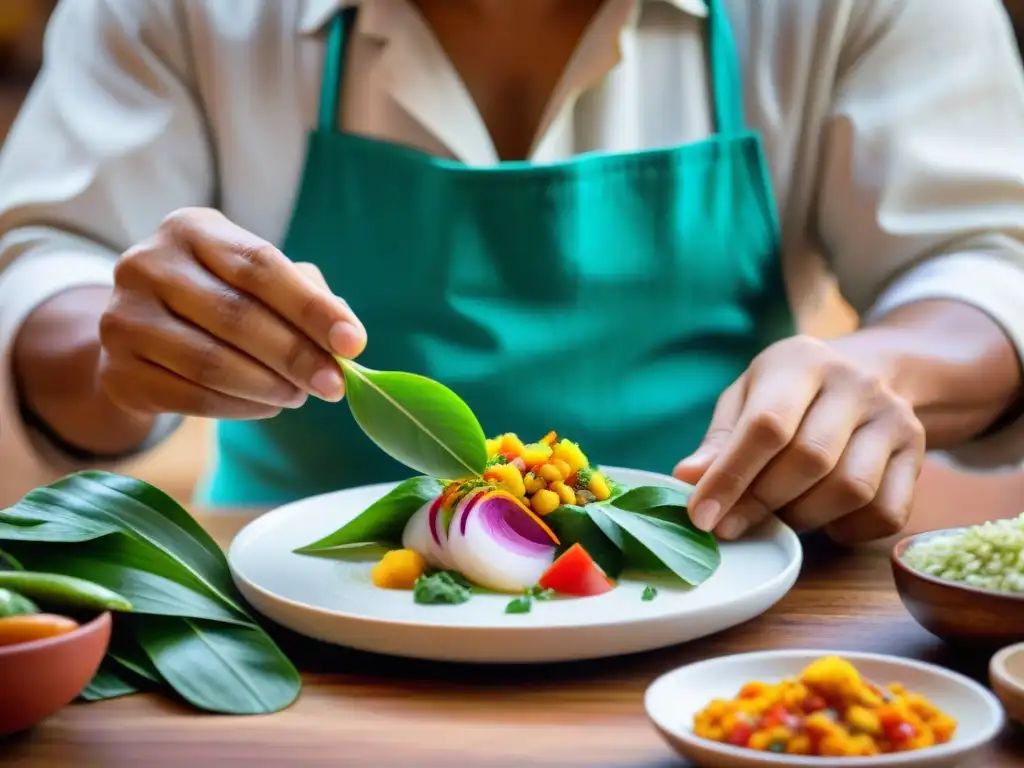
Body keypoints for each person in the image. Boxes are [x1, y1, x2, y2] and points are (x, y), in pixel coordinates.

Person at [1, 0, 1022, 546]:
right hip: (293, 601)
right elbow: (45, 269)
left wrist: (887, 372)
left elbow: (985, 257)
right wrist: (116, 348)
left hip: (722, 590)